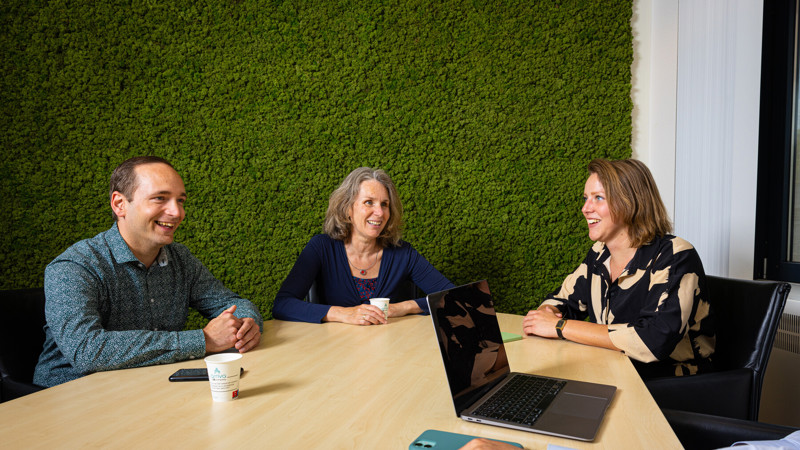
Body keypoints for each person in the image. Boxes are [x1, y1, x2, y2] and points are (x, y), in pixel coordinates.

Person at [33, 156, 263, 387]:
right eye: (160, 198)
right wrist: (203, 340)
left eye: (180, 201)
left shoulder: (180, 258)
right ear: (119, 204)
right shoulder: (74, 267)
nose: (177, 212)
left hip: (147, 386)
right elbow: (87, 351)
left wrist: (245, 325)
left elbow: (231, 302)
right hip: (69, 397)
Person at [523, 158, 715, 379]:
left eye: (598, 198)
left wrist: (559, 326)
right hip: (613, 373)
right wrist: (548, 313)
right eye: (586, 198)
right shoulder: (599, 253)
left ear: (630, 202)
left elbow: (652, 341)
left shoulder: (676, 255)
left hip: (673, 385)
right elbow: (561, 301)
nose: (585, 208)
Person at [273, 167, 454, 324]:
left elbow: (454, 297)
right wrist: (342, 313)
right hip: (334, 351)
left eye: (385, 204)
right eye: (369, 202)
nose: (380, 212)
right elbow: (282, 304)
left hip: (392, 350)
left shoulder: (402, 253)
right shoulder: (321, 247)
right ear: (347, 208)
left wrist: (401, 307)